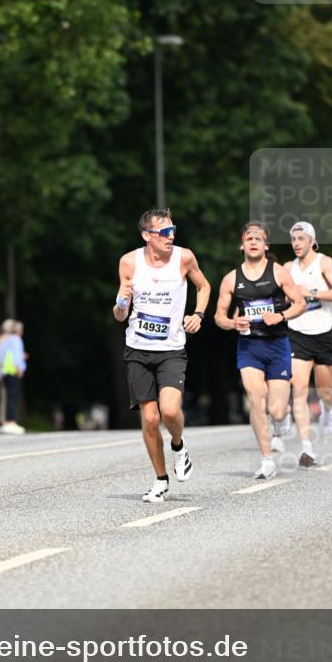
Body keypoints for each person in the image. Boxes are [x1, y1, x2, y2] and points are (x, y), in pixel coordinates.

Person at [114, 208, 211, 503]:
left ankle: (179, 446)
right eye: (164, 232)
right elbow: (120, 315)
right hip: (138, 349)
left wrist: (198, 314)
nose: (171, 237)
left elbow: (204, 286)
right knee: (150, 418)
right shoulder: (129, 262)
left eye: (173, 231)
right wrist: (120, 304)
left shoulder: (184, 257)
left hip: (171, 349)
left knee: (169, 411)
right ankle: (160, 480)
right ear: (147, 235)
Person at [215, 221, 306, 480]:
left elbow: (299, 303)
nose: (253, 242)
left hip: (277, 345)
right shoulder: (231, 279)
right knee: (256, 398)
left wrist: (281, 316)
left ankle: (284, 414)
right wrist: (233, 323)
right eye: (248, 238)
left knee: (276, 410)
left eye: (258, 238)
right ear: (241, 245)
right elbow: (219, 317)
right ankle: (266, 460)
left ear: (266, 245)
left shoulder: (279, 273)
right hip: (249, 346)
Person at [282, 221, 332, 462]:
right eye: (293, 239)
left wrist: (310, 293)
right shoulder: (288, 268)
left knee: (324, 391)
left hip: (323, 334)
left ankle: (327, 410)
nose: (296, 243)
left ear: (312, 241)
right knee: (298, 389)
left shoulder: (325, 263)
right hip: (297, 334)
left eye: (301, 238)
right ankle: (306, 447)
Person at [0, 319, 26, 434]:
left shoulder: (5, 340)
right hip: (13, 371)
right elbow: (17, 356)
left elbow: (1, 356)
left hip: (5, 371)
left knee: (9, 397)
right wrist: (19, 368)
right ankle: (11, 422)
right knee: (13, 398)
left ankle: (7, 422)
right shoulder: (16, 339)